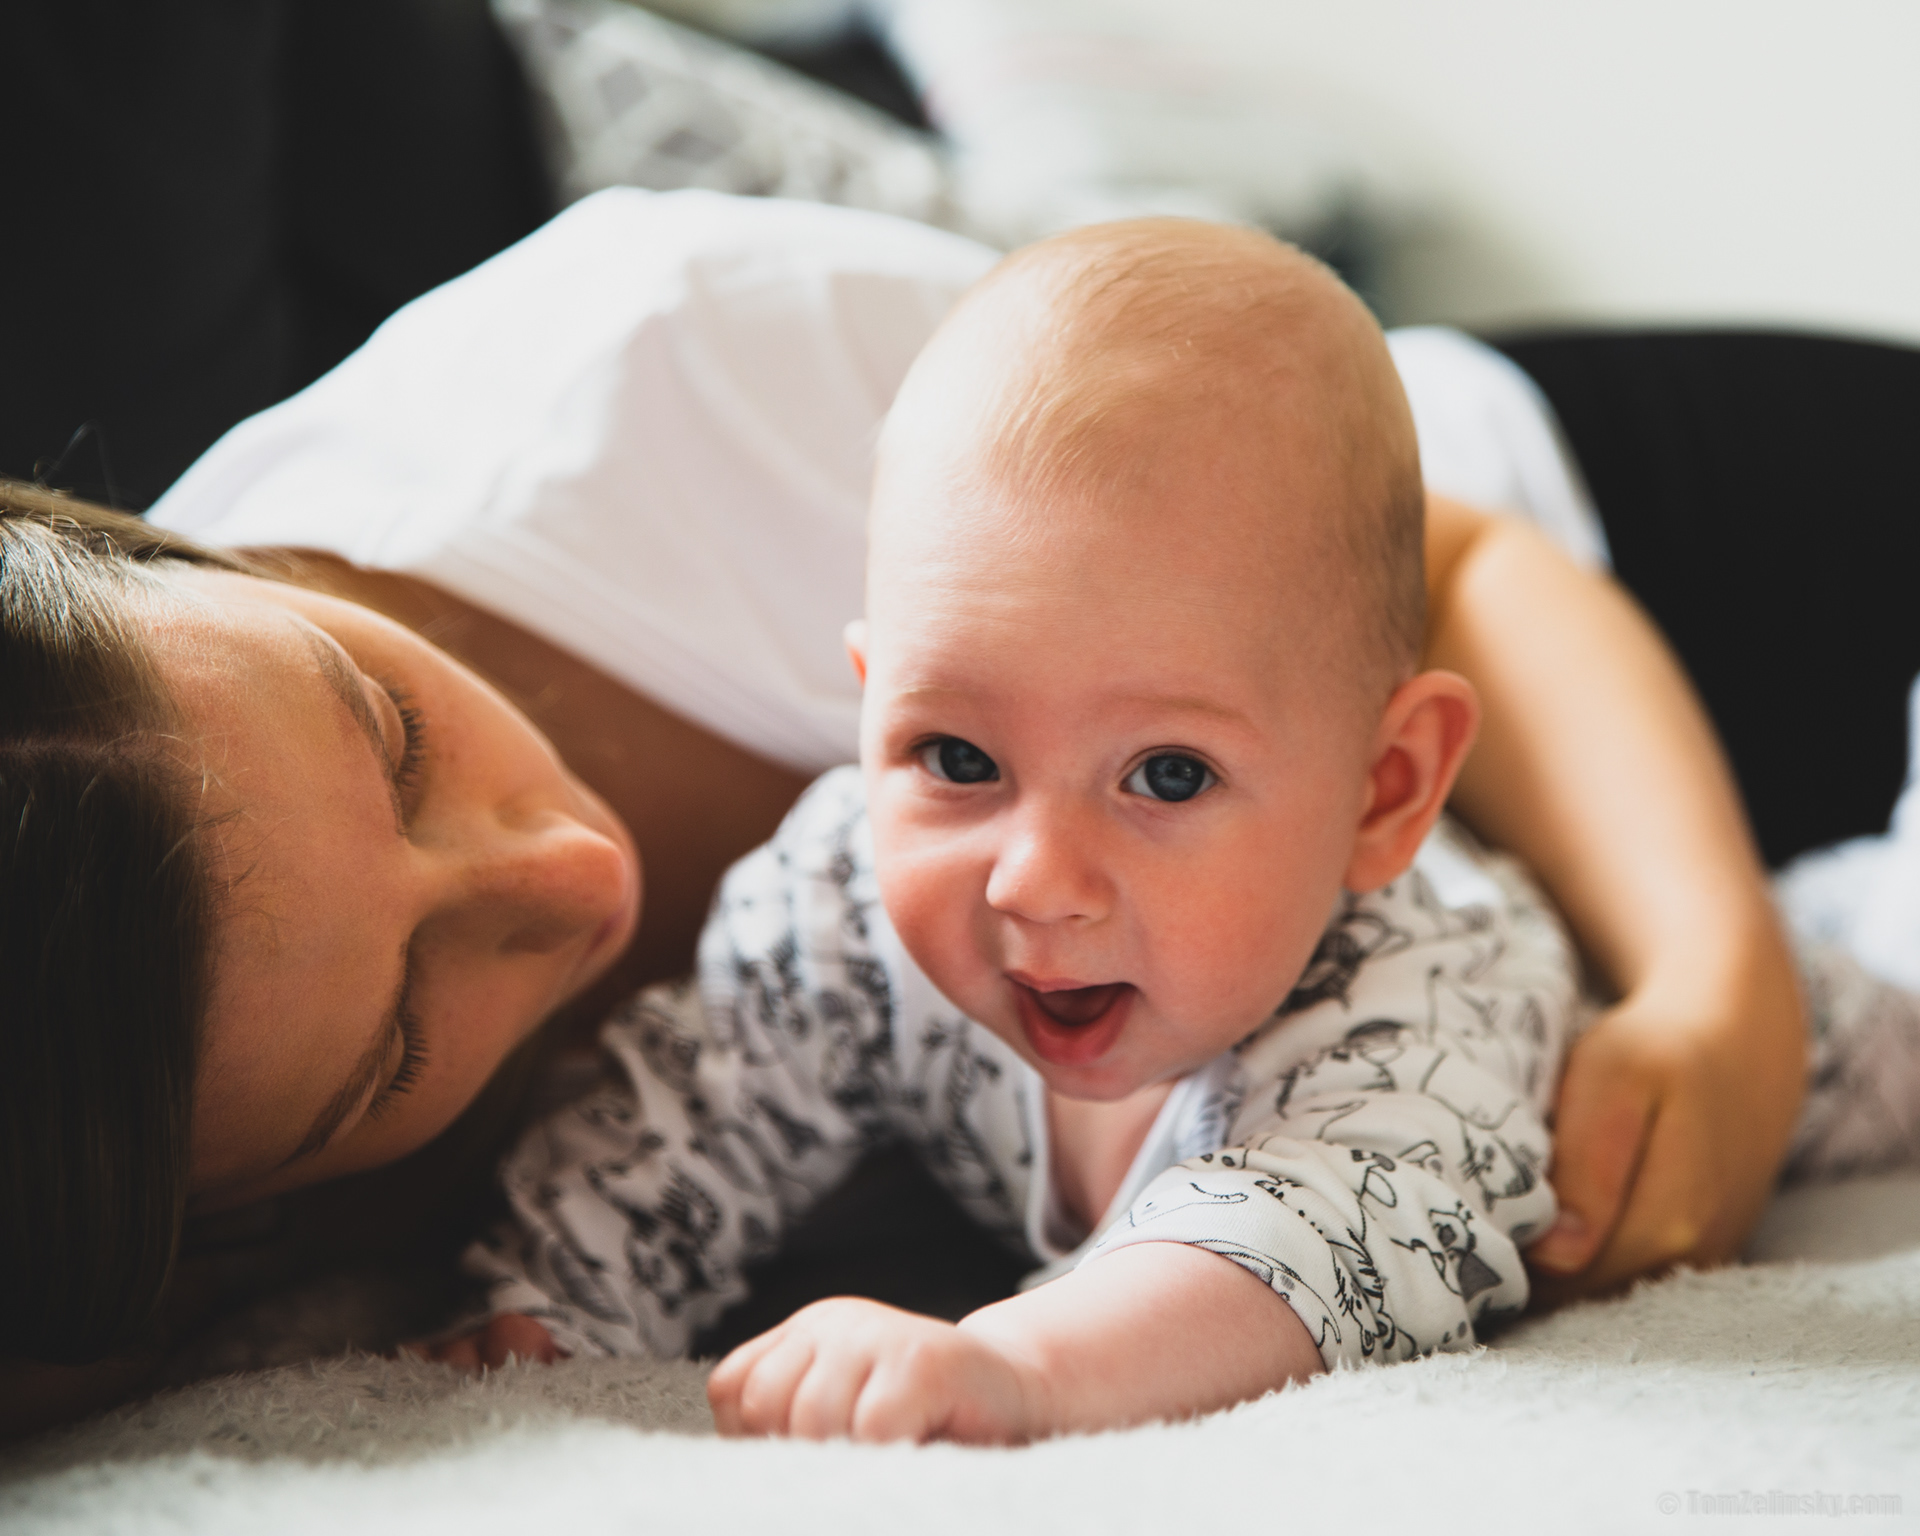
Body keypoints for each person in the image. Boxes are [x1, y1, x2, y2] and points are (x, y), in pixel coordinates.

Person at [1, 190, 1804, 1437]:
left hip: (1629, 549)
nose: (568, 877)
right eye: (398, 1036)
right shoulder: (834, 894)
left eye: (386, 730)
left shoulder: (648, 359)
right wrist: (543, 1306)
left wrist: (1728, 985)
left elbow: (1321, 1227)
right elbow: (699, 1102)